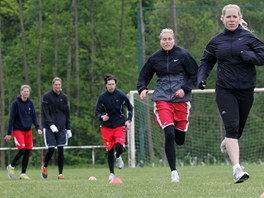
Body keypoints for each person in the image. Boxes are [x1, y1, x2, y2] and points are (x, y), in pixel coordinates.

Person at [198, 4, 264, 184]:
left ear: (239, 18)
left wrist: (249, 56)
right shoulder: (216, 41)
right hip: (225, 89)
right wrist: (202, 77)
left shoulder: (249, 38)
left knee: (237, 128)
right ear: (222, 19)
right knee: (232, 126)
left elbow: (262, 56)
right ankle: (237, 169)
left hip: (246, 89)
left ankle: (228, 140)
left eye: (235, 17)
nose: (231, 20)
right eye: (228, 17)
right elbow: (206, 62)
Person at [137, 28, 198, 182]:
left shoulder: (183, 55)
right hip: (162, 98)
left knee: (179, 139)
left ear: (174, 39)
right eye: (164, 39)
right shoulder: (154, 58)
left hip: (181, 100)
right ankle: (174, 172)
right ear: (160, 40)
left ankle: (177, 132)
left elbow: (194, 75)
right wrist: (142, 88)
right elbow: (144, 76)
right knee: (169, 133)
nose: (167, 42)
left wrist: (184, 89)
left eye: (169, 39)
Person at [95, 74, 133, 182]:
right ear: (106, 85)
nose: (111, 86)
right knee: (110, 150)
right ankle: (111, 173)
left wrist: (128, 120)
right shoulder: (102, 97)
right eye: (109, 84)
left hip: (119, 125)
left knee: (119, 146)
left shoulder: (121, 95)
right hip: (106, 127)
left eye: (113, 84)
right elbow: (97, 113)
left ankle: (119, 156)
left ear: (115, 84)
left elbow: (130, 108)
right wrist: (102, 117)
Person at [5, 85, 42, 180]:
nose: (26, 93)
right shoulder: (15, 103)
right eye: (24, 91)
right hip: (18, 130)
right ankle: (11, 166)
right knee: (22, 150)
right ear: (21, 92)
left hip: (28, 130)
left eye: (27, 91)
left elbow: (34, 116)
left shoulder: (30, 103)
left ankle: (23, 173)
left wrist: (38, 127)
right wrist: (9, 133)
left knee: (28, 151)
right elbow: (11, 119)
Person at [41, 77, 72, 180]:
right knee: (51, 149)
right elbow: (45, 113)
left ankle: (60, 173)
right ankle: (45, 166)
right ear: (53, 85)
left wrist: (68, 128)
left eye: (59, 85)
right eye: (56, 85)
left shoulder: (64, 97)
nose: (58, 86)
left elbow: (67, 114)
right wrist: (51, 124)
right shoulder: (46, 96)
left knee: (61, 149)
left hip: (61, 127)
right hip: (49, 128)